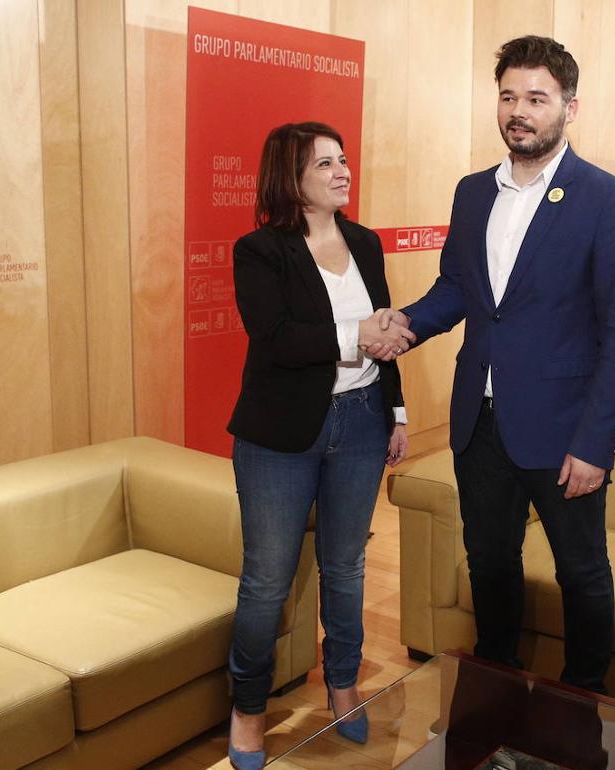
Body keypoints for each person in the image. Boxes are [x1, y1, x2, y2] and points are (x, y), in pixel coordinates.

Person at [377, 36, 615, 694]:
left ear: (569, 107)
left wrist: (596, 442)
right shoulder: (473, 193)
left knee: (580, 571)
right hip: (480, 424)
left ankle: (584, 699)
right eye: (507, 97)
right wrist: (402, 327)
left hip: (563, 431)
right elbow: (458, 291)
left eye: (536, 98)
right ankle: (498, 687)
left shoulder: (608, 199)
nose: (518, 111)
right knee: (490, 563)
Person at [225, 121, 416, 770]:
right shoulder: (259, 251)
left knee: (346, 567)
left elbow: (386, 331)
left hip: (361, 422)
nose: (343, 172)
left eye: (344, 160)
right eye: (326, 164)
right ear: (292, 179)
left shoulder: (365, 242)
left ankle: (342, 684)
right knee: (267, 582)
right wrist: (355, 334)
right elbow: (276, 339)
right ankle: (248, 710)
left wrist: (396, 410)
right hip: (280, 434)